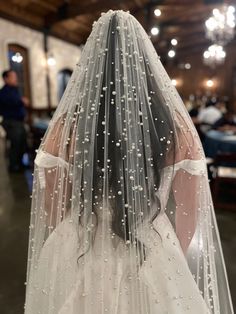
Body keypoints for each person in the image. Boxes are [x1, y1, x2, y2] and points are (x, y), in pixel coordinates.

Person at [24, 11, 233, 314]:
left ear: (91, 66)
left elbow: (54, 208)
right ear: (147, 65)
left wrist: (75, 235)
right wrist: (169, 252)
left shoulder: (67, 128)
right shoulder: (174, 128)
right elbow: (190, 210)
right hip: (152, 242)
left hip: (81, 242)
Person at [0, 70, 29, 172]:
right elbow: (14, 102)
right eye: (12, 76)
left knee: (22, 143)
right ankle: (13, 166)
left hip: (18, 121)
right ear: (5, 79)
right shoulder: (4, 92)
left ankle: (20, 164)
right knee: (15, 144)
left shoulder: (14, 89)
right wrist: (22, 101)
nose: (15, 78)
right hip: (11, 122)